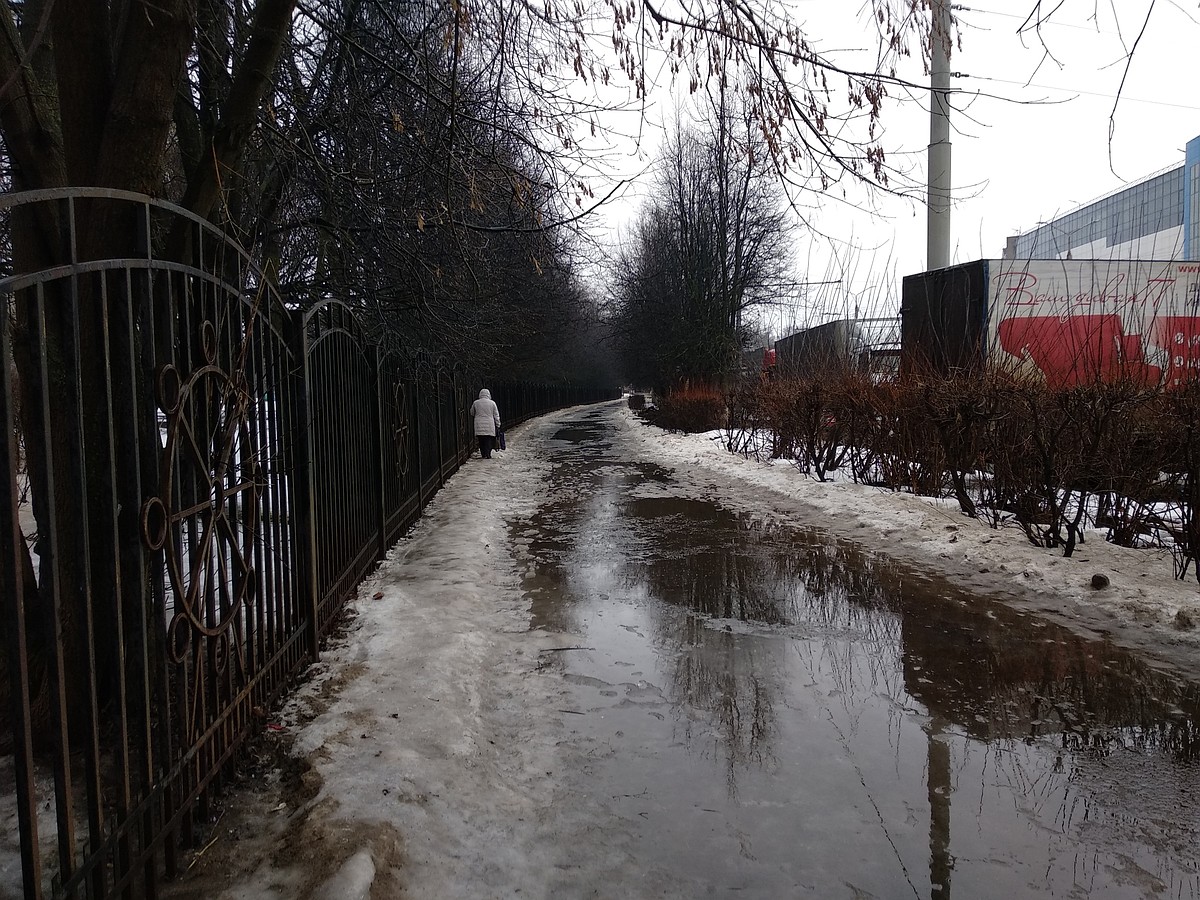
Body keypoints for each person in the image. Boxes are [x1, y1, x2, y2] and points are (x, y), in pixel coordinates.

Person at [470, 388, 502, 458]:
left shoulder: (476, 403)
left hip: (479, 424)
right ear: (488, 395)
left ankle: (483, 453)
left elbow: (472, 412)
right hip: (489, 424)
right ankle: (488, 453)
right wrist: (498, 424)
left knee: (481, 440)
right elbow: (496, 415)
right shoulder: (492, 403)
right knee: (488, 439)